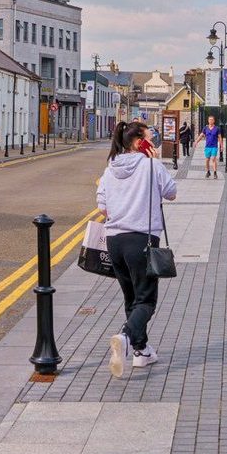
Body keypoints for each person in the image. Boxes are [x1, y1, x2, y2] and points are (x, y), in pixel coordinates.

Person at [97, 121, 178, 377]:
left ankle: (141, 352)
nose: (152, 142)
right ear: (138, 143)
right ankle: (125, 337)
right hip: (141, 239)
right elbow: (172, 192)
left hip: (115, 241)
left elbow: (102, 207)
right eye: (149, 138)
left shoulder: (110, 168)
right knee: (146, 300)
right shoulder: (151, 165)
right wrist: (156, 163)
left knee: (131, 297)